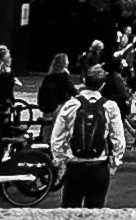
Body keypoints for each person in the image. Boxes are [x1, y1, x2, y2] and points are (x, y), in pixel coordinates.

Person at [52, 61, 127, 207]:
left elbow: (57, 137)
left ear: (84, 81)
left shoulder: (71, 105)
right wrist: (115, 162)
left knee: (70, 211)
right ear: (103, 85)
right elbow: (119, 139)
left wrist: (60, 161)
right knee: (94, 212)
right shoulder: (110, 106)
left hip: (75, 165)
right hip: (99, 166)